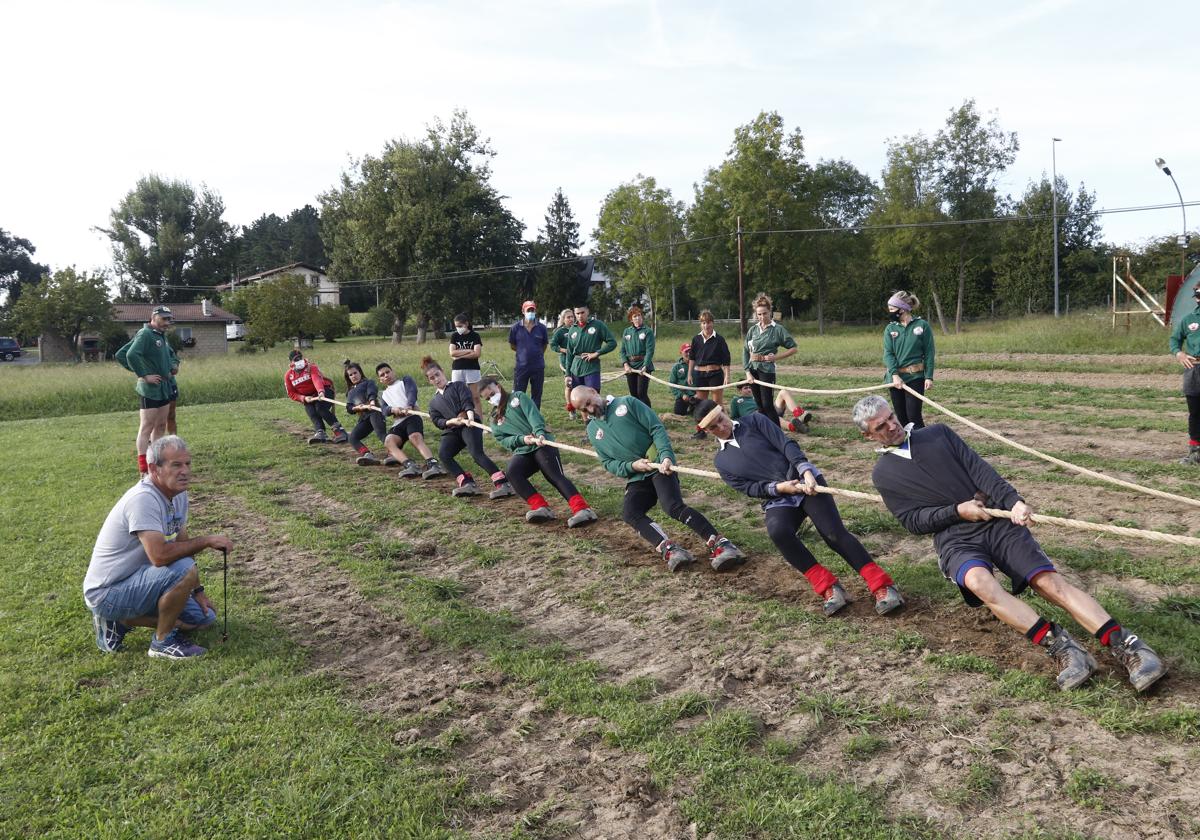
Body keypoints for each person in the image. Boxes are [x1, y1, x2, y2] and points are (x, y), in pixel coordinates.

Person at [852, 394, 1167, 692]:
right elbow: (912, 520)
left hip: (995, 521)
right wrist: (956, 511)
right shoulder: (884, 475)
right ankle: (1063, 648)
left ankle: (1128, 646)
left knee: (1048, 584)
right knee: (979, 583)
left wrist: (1013, 501)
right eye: (881, 426)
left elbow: (981, 471)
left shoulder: (936, 435)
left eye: (891, 417)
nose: (892, 426)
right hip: (954, 537)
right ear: (868, 436)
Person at [695, 399, 903, 616]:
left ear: (725, 412)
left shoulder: (755, 421)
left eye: (720, 420)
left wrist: (805, 471)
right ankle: (829, 588)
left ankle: (882, 585)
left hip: (805, 481)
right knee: (778, 532)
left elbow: (786, 444)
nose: (721, 427)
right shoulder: (721, 462)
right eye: (713, 428)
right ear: (708, 432)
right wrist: (779, 488)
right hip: (778, 497)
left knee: (832, 533)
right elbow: (748, 487)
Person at [83, 435, 231, 659]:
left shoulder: (178, 494)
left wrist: (198, 591)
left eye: (187, 464)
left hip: (139, 580)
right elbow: (160, 557)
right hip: (107, 592)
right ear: (154, 468)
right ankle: (162, 642)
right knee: (183, 568)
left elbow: (182, 544)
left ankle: (122, 621)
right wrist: (206, 541)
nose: (185, 471)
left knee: (204, 618)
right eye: (176, 465)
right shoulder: (143, 499)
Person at [571, 384, 745, 572]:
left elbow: (656, 429)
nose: (590, 409)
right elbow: (607, 462)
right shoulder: (592, 430)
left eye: (589, 403)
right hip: (637, 476)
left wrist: (666, 457)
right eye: (584, 409)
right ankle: (671, 550)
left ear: (593, 391)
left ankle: (722, 544)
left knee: (672, 506)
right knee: (630, 513)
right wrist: (632, 466)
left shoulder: (628, 403)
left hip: (660, 466)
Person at [479, 377, 598, 527]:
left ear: (498, 386)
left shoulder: (518, 397)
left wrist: (539, 432)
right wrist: (522, 439)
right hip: (524, 449)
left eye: (492, 393)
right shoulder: (494, 419)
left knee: (553, 475)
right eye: (487, 398)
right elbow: (503, 439)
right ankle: (541, 508)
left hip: (542, 444)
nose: (491, 398)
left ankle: (583, 509)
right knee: (512, 472)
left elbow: (533, 415)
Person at [423, 356, 515, 499]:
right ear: (429, 381)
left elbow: (467, 402)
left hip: (469, 424)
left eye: (437, 374)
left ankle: (503, 483)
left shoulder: (458, 386)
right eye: (432, 378)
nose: (436, 379)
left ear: (442, 372)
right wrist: (451, 421)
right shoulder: (434, 402)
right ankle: (467, 484)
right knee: (444, 454)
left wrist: (470, 418)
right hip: (453, 429)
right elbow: (437, 421)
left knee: (476, 454)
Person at [116, 305, 176, 474]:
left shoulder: (161, 335)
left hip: (164, 386)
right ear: (154, 317)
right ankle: (144, 468)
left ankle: (155, 462)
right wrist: (144, 375)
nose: (167, 322)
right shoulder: (145, 334)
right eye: (164, 319)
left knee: (161, 425)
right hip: (150, 389)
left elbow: (171, 355)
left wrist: (173, 365)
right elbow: (129, 355)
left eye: (169, 319)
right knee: (147, 426)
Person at [375, 362, 446, 479]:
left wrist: (409, 405)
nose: (386, 375)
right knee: (389, 441)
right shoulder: (383, 395)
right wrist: (393, 409)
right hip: (398, 422)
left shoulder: (405, 381)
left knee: (415, 438)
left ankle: (433, 464)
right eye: (382, 375)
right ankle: (410, 465)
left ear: (393, 372)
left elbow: (411, 391)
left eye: (388, 372)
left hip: (412, 417)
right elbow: (384, 410)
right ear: (380, 380)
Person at [743, 293, 798, 428]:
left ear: (770, 312)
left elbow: (794, 348)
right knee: (760, 405)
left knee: (768, 404)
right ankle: (765, 431)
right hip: (753, 370)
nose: (762, 317)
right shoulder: (753, 330)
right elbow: (745, 350)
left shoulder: (777, 329)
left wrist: (775, 357)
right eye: (759, 314)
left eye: (764, 313)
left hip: (767, 370)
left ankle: (776, 432)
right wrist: (747, 372)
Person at [883, 289, 935, 431]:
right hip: (895, 380)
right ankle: (905, 449)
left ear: (903, 309)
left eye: (892, 309)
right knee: (901, 418)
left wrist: (929, 376)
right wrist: (894, 376)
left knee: (914, 417)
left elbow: (929, 352)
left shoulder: (922, 326)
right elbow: (888, 354)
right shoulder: (890, 328)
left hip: (915, 377)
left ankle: (923, 448)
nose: (890, 312)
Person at [284, 349, 348, 444]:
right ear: (291, 362)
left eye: (300, 358)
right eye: (296, 359)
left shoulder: (311, 367)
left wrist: (321, 392)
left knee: (320, 408)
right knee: (311, 412)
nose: (299, 360)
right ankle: (320, 432)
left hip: (324, 390)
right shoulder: (288, 376)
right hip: (308, 397)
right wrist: (303, 398)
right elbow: (291, 393)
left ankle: (339, 431)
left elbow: (316, 380)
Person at [688, 310, 731, 439]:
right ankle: (701, 431)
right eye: (704, 323)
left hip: (715, 373)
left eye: (709, 323)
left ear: (713, 323)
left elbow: (726, 359)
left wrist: (727, 376)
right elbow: (692, 357)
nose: (706, 326)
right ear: (701, 324)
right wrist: (689, 374)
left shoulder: (719, 339)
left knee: (717, 403)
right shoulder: (696, 339)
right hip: (699, 374)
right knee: (700, 404)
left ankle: (725, 430)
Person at [1169, 284, 1200, 465]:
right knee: (1195, 412)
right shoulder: (1188, 320)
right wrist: (1178, 353)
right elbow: (1175, 339)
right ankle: (1195, 452)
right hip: (1194, 369)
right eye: (1198, 296)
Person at [343, 361, 389, 466]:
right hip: (364, 417)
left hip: (374, 412)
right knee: (352, 437)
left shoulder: (368, 382)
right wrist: (356, 408)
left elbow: (371, 392)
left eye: (355, 373)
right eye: (350, 375)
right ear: (348, 377)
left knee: (381, 434)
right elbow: (349, 408)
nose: (353, 376)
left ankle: (393, 452)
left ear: (360, 372)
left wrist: (372, 402)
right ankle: (367, 454)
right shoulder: (349, 392)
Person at [508, 300, 549, 408]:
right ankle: (518, 419)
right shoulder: (515, 328)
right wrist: (523, 352)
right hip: (521, 367)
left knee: (537, 394)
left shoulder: (542, 328)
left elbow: (544, 345)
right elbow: (513, 345)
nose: (531, 312)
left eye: (533, 310)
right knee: (518, 394)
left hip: (538, 366)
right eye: (528, 310)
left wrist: (536, 353)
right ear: (523, 311)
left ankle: (534, 419)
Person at [566, 304, 616, 392]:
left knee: (592, 398)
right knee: (578, 399)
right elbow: (569, 353)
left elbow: (612, 343)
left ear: (587, 312)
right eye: (577, 313)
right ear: (575, 314)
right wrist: (567, 374)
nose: (580, 316)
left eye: (582, 312)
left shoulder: (598, 325)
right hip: (576, 369)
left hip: (591, 368)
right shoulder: (572, 329)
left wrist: (597, 353)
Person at [620, 304, 655, 408]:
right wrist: (625, 364)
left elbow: (650, 350)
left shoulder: (647, 331)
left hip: (643, 365)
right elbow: (622, 350)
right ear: (631, 319)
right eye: (634, 316)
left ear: (642, 317)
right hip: (630, 366)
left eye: (639, 315)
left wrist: (645, 365)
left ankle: (649, 416)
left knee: (641, 393)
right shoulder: (627, 331)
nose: (637, 318)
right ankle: (637, 416)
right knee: (633, 394)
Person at [449, 312, 484, 416]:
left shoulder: (475, 336)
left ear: (466, 324)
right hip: (457, 370)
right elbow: (452, 353)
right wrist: (469, 351)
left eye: (460, 326)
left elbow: (477, 353)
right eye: (456, 326)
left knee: (475, 397)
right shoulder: (454, 336)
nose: (458, 328)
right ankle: (461, 420)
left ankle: (480, 423)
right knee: (458, 397)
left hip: (472, 369)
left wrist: (459, 355)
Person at [550, 308, 578, 419]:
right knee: (569, 384)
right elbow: (553, 345)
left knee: (579, 383)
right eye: (568, 317)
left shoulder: (577, 328)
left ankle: (582, 406)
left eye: (572, 316)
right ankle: (571, 408)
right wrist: (563, 350)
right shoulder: (560, 331)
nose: (571, 319)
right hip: (566, 361)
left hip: (578, 360)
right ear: (563, 319)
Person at [668, 344, 697, 418]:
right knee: (679, 412)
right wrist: (681, 395)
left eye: (690, 351)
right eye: (686, 351)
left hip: (697, 396)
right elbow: (672, 384)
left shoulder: (698, 365)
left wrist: (698, 394)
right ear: (681, 352)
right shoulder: (676, 367)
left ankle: (693, 408)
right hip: (683, 396)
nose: (689, 353)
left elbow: (704, 382)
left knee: (700, 414)